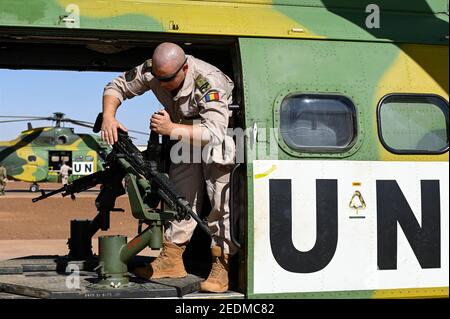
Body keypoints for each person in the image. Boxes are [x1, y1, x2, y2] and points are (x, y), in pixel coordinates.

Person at [101, 42, 237, 293]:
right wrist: (109, 115)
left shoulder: (208, 81)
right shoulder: (155, 70)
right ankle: (172, 259)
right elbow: (116, 86)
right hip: (184, 135)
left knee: (221, 201)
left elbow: (215, 132)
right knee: (179, 196)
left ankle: (223, 266)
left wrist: (170, 128)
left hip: (216, 136)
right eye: (158, 79)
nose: (161, 85)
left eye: (168, 80)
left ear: (184, 68)